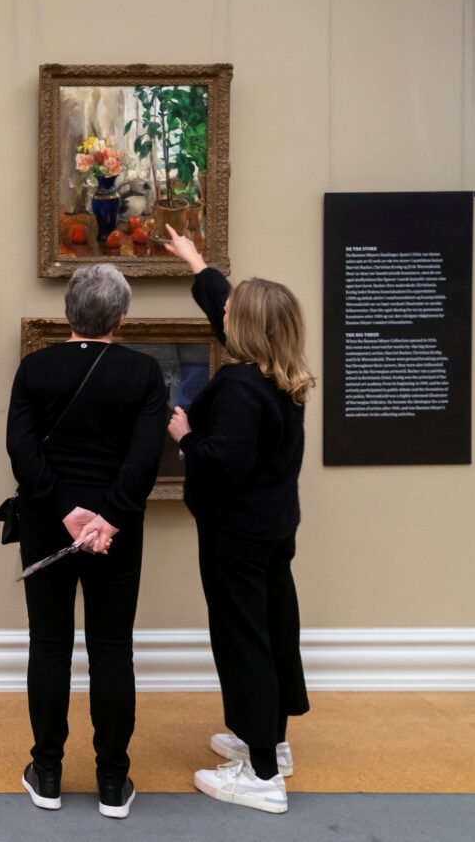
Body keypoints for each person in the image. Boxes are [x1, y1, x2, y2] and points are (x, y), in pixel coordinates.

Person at [163, 225, 315, 814]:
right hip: (273, 527)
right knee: (273, 629)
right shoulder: (280, 373)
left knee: (243, 640)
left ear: (244, 327)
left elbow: (221, 463)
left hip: (236, 536)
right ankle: (270, 743)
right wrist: (195, 261)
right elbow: (226, 304)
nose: (221, 311)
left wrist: (185, 435)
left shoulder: (237, 389)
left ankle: (261, 776)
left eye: (229, 310)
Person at [6, 264, 167, 820]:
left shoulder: (35, 369)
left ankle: (47, 773)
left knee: (50, 645)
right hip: (114, 535)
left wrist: (66, 512)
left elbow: (22, 452)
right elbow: (145, 458)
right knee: (112, 648)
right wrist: (108, 518)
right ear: (120, 318)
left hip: (47, 524)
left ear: (68, 312)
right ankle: (112, 782)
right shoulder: (144, 372)